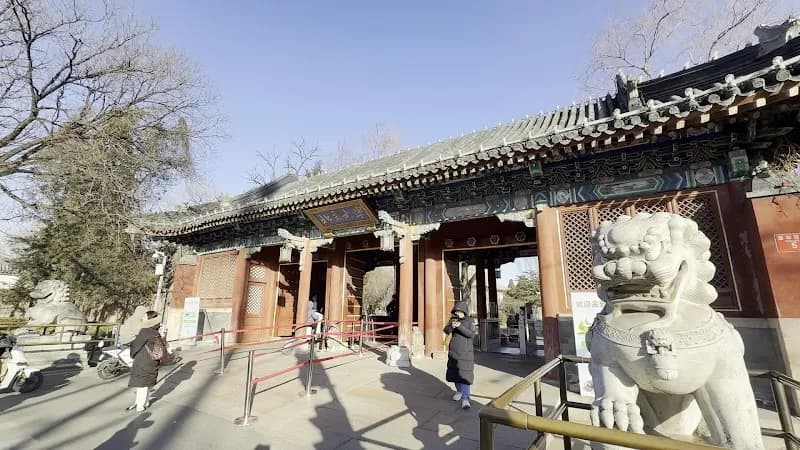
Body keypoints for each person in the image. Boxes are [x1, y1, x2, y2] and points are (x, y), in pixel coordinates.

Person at [127, 311, 165, 412]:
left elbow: (136, 346)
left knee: (142, 384)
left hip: (143, 360)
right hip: (153, 360)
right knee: (148, 383)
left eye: (144, 317)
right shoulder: (156, 332)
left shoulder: (145, 331)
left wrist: (132, 355)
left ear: (149, 319)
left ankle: (140, 405)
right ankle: (145, 402)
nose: (142, 318)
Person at [443, 302, 475, 410]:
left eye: (460, 312)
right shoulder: (453, 319)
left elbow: (471, 334)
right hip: (454, 351)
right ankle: (459, 391)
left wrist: (460, 326)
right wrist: (451, 326)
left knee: (464, 376)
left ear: (464, 312)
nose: (458, 314)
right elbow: (446, 331)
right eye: (456, 312)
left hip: (466, 353)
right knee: (455, 374)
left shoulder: (470, 321)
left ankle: (465, 399)